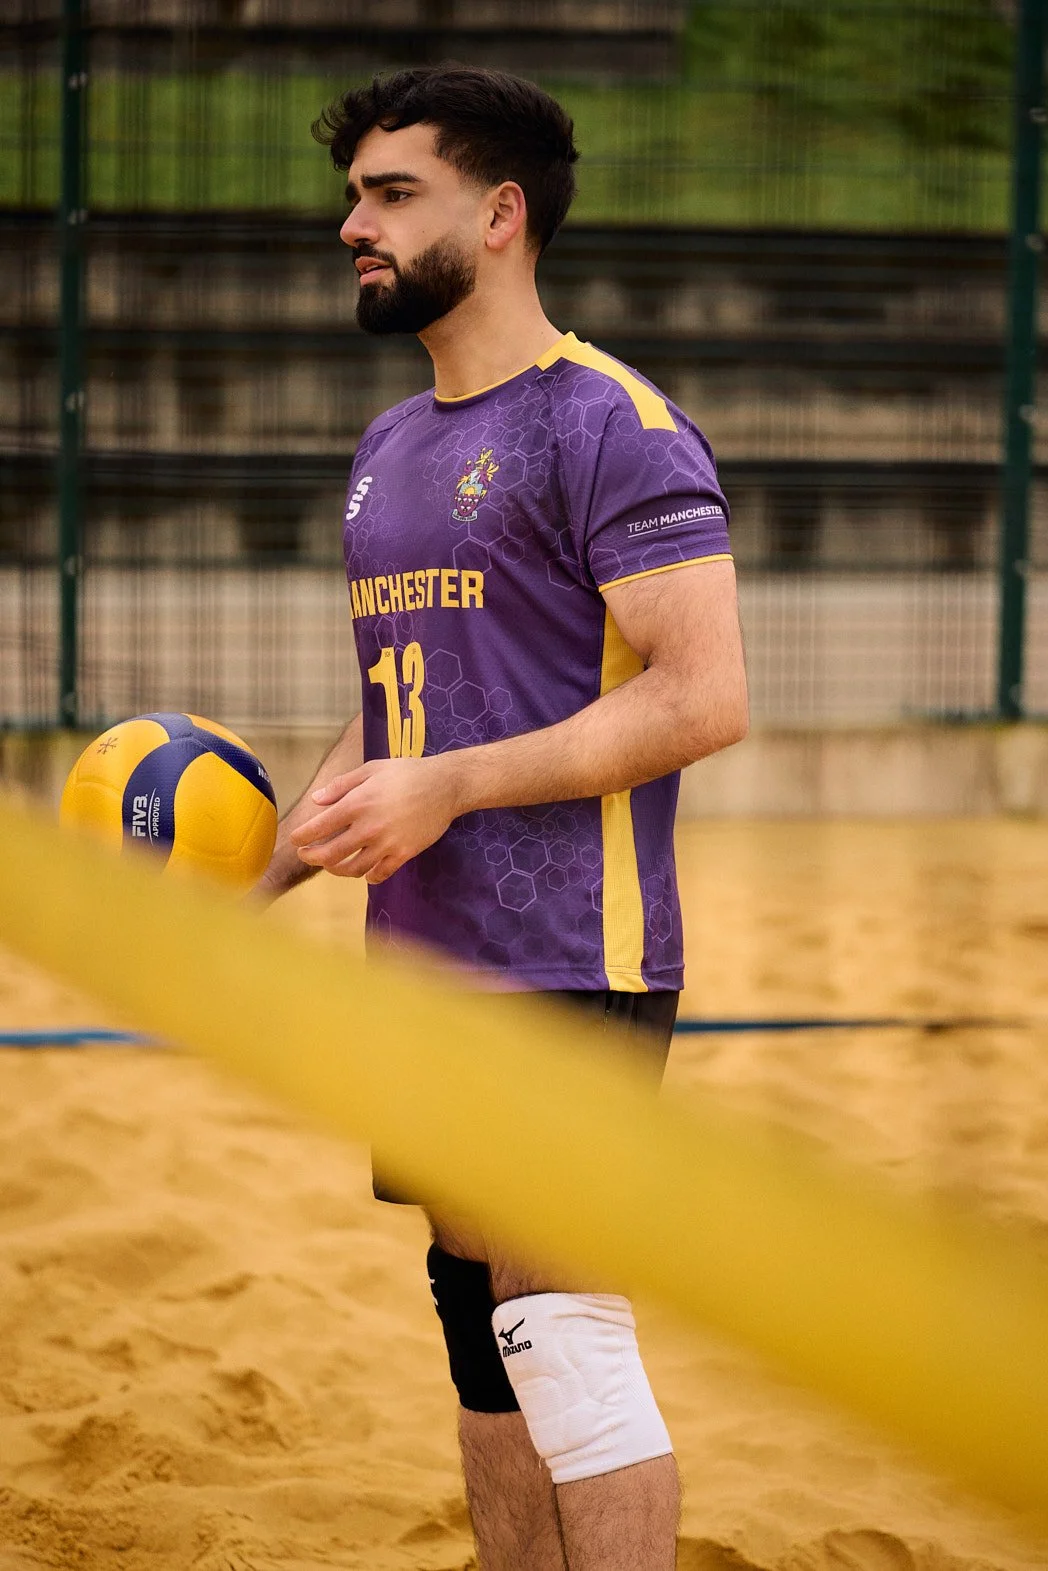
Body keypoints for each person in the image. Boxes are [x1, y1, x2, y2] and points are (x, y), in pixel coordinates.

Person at [260, 64, 748, 1571]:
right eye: (355, 195)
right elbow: (392, 721)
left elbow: (702, 696)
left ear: (502, 213)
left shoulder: (614, 424)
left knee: (563, 1324)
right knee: (479, 1325)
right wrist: (247, 879)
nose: (356, 225)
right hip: (424, 956)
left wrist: (454, 783)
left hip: (571, 949)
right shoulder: (388, 447)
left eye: (392, 193)